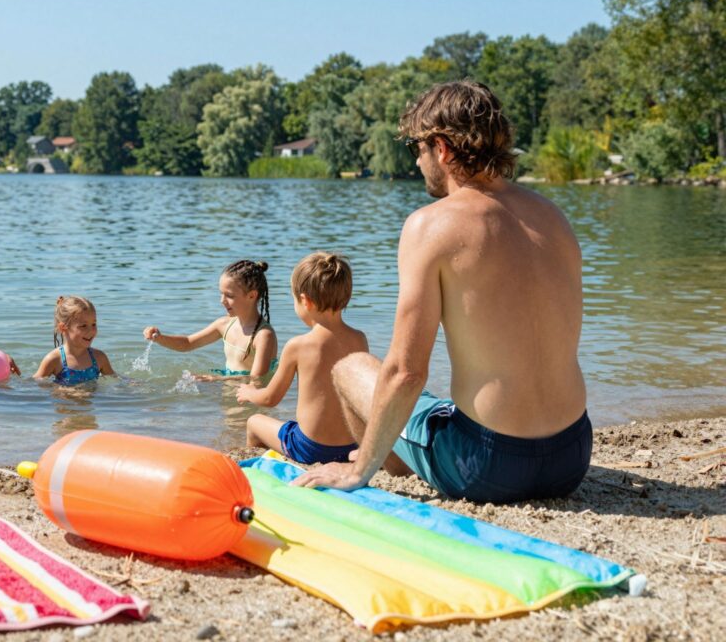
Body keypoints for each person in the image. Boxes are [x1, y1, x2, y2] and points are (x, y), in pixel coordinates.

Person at [294, 80, 591, 503]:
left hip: (490, 466)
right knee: (430, 404)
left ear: (442, 148)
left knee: (349, 367)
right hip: (571, 456)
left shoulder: (431, 225)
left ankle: (370, 465)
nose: (416, 162)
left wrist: (356, 472)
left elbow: (406, 372)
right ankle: (392, 454)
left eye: (417, 149)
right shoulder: (553, 217)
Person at [237, 252, 368, 463]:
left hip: (311, 449)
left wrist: (250, 393)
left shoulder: (298, 346)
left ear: (305, 301)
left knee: (254, 422)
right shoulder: (359, 340)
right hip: (352, 446)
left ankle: (256, 471)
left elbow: (270, 399)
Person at [143, 260, 278, 377]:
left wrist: (215, 380)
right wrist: (160, 338)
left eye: (229, 296)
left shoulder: (264, 336)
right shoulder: (224, 324)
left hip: (252, 400)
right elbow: (188, 343)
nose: (222, 301)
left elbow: (257, 380)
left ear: (252, 296)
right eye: (221, 294)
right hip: (231, 390)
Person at [34, 296, 115, 384]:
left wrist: (129, 383)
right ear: (63, 328)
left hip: (92, 398)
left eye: (94, 324)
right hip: (65, 397)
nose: (91, 331)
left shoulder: (99, 357)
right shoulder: (54, 359)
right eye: (83, 326)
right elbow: (35, 384)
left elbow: (115, 378)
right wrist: (60, 390)